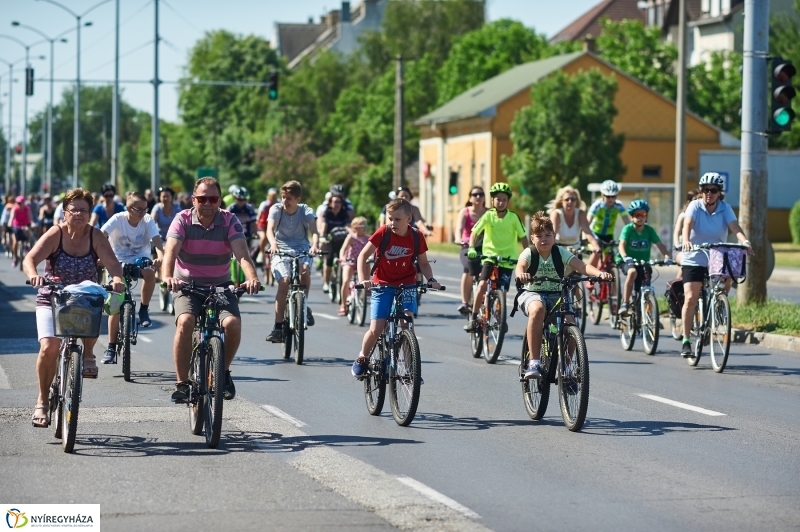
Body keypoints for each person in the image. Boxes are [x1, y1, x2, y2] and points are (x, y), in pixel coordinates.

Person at [24, 188, 125, 427]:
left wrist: (117, 280)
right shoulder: (55, 234)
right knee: (49, 346)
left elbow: (113, 266)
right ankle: (42, 400)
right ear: (64, 212)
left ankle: (88, 354)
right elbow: (30, 259)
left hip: (83, 298)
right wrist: (34, 276)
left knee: (95, 302)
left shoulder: (96, 236)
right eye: (74, 210)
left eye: (84, 210)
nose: (79, 214)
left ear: (90, 213)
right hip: (53, 297)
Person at [162, 177, 261, 403]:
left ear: (219, 201)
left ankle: (223, 373)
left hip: (220, 287)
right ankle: (182, 383)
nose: (207, 203)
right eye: (202, 198)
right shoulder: (182, 219)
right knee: (186, 322)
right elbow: (170, 253)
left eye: (213, 198)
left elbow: (242, 255)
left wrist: (252, 278)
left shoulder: (229, 220)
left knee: (232, 324)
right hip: (187, 286)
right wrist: (168, 277)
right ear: (194, 199)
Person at [350, 198, 440, 378]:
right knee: (376, 329)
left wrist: (431, 279)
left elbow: (423, 263)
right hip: (382, 284)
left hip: (407, 283)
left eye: (397, 219)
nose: (392, 223)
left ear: (409, 219)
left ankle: (409, 370)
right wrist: (363, 279)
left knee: (408, 324)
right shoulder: (383, 233)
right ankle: (362, 358)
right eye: (390, 218)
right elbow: (362, 256)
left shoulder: (416, 236)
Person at [516, 212, 612, 379]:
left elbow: (582, 266)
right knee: (538, 310)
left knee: (571, 324)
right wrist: (521, 274)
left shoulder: (560, 252)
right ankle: (534, 362)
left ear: (554, 236)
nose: (544, 239)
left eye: (548, 235)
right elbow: (520, 266)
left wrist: (600, 273)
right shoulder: (529, 253)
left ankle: (565, 368)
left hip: (557, 294)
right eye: (539, 236)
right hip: (532, 293)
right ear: (532, 238)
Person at [679, 172, 752, 357]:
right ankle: (686, 340)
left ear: (719, 192)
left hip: (716, 256)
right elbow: (687, 224)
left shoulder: (725, 208)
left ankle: (718, 305)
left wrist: (744, 241)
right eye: (705, 190)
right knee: (690, 298)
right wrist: (686, 240)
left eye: (713, 190)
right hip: (694, 256)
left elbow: (735, 227)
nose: (708, 193)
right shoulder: (695, 206)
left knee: (727, 278)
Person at [100, 191, 165, 363]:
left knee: (150, 273)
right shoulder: (117, 219)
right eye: (139, 209)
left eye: (145, 209)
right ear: (128, 208)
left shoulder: (148, 220)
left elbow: (158, 242)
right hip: (117, 262)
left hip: (139, 261)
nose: (143, 212)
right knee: (115, 303)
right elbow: (100, 236)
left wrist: (160, 256)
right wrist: (100, 256)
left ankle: (144, 309)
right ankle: (111, 347)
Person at [463, 182, 528, 333]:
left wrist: (528, 254)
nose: (501, 202)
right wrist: (472, 247)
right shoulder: (488, 216)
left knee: (503, 291)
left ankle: (500, 317)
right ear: (492, 200)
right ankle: (473, 318)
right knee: (482, 285)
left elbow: (523, 237)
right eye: (498, 199)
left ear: (508, 201)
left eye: (504, 199)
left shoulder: (513, 217)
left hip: (508, 260)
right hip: (489, 257)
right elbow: (474, 233)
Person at [264, 180, 320, 343]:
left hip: (302, 248)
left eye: (289, 198)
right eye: (283, 197)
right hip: (280, 249)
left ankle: (304, 305)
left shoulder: (305, 210)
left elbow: (314, 230)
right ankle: (278, 327)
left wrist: (315, 244)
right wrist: (273, 243)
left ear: (297, 199)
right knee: (284, 282)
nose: (285, 202)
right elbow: (270, 229)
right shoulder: (276, 209)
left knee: (305, 270)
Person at [616, 200, 672, 316]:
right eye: (637, 215)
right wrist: (625, 257)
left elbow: (660, 245)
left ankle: (651, 316)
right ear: (632, 217)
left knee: (647, 287)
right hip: (627, 261)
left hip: (643, 262)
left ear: (646, 217)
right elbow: (621, 245)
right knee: (632, 272)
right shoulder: (628, 229)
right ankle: (625, 303)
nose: (640, 218)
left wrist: (666, 256)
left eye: (643, 215)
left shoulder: (649, 230)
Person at [454, 186, 487, 314]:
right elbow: (459, 229)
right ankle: (465, 303)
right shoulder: (465, 212)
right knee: (468, 269)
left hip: (485, 246)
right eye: (475, 194)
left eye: (481, 194)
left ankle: (488, 298)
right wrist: (458, 239)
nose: (478, 197)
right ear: (470, 198)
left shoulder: (489, 212)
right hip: (468, 246)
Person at [586, 180, 630, 271]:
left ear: (616, 196)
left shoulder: (618, 205)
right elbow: (587, 223)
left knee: (610, 261)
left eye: (613, 196)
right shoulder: (597, 205)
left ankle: (611, 281)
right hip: (595, 234)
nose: (610, 199)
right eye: (608, 196)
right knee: (597, 253)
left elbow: (627, 222)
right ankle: (589, 275)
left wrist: (631, 233)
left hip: (609, 235)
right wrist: (584, 235)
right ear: (602, 195)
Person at [549, 185, 601, 252]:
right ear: (562, 201)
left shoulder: (580, 214)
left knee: (596, 254)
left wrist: (595, 246)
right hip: (559, 250)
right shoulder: (556, 214)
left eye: (573, 199)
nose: (570, 201)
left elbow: (587, 232)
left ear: (576, 202)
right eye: (567, 199)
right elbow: (552, 234)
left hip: (575, 250)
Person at [318, 193, 351, 294]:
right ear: (330, 203)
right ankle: (326, 283)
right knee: (328, 261)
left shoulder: (344, 213)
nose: (337, 204)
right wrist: (322, 237)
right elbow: (324, 226)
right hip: (329, 240)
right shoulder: (327, 213)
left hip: (341, 240)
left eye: (339, 202)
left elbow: (347, 226)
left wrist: (353, 235)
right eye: (335, 202)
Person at [338, 216, 370, 316]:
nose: (365, 228)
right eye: (362, 226)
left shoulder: (368, 238)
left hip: (362, 262)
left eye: (366, 225)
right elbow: (343, 249)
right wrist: (342, 257)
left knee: (368, 265)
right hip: (350, 261)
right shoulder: (351, 237)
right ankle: (343, 305)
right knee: (346, 281)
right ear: (355, 227)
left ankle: (366, 288)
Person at [673, 189, 700, 268]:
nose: (696, 203)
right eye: (694, 200)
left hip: (695, 248)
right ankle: (677, 280)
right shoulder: (683, 215)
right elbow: (676, 232)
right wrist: (678, 246)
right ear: (688, 202)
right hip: (681, 248)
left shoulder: (701, 215)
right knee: (687, 263)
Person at [10, 195, 34, 268]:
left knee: (28, 230)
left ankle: (27, 245)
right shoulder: (15, 209)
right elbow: (11, 217)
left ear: (24, 203)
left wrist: (32, 223)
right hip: (16, 226)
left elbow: (30, 218)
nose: (19, 204)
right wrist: (9, 223)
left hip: (25, 225)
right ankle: (15, 258)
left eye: (20, 203)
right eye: (18, 203)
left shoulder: (27, 209)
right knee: (15, 242)